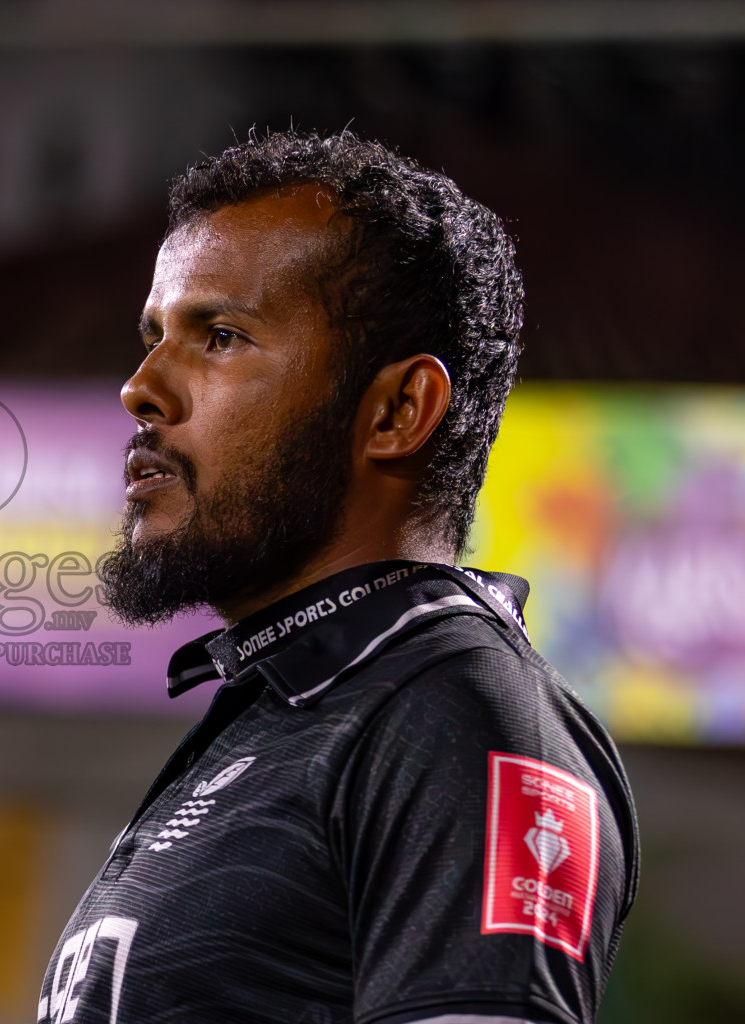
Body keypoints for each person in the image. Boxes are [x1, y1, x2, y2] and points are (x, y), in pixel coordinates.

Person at [37, 131, 639, 1024]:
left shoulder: (457, 716)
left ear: (397, 411)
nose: (141, 387)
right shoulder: (289, 707)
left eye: (221, 336)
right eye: (154, 336)